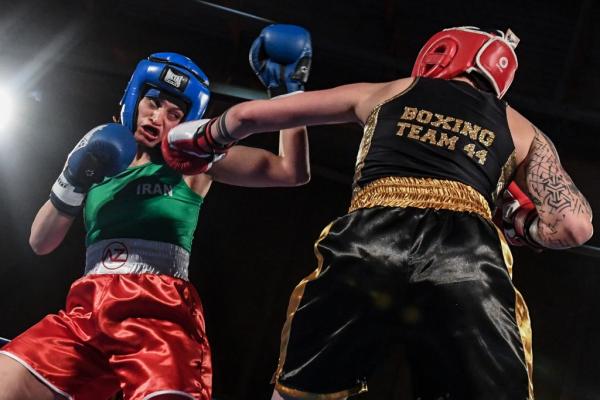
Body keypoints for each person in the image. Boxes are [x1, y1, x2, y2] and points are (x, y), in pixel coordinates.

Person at [166, 27, 594, 400]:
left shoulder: (388, 90)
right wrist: (521, 224)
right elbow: (575, 226)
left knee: (301, 389)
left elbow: (247, 116)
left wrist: (204, 139)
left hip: (371, 241)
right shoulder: (520, 127)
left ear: (441, 53)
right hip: (467, 257)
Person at [0, 24, 312, 400]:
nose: (157, 117)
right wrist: (74, 178)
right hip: (88, 311)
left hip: (158, 311)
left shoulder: (193, 161)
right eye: (153, 103)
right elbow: (40, 242)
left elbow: (290, 171)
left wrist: (288, 93)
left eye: (174, 112)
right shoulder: (98, 159)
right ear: (134, 98)